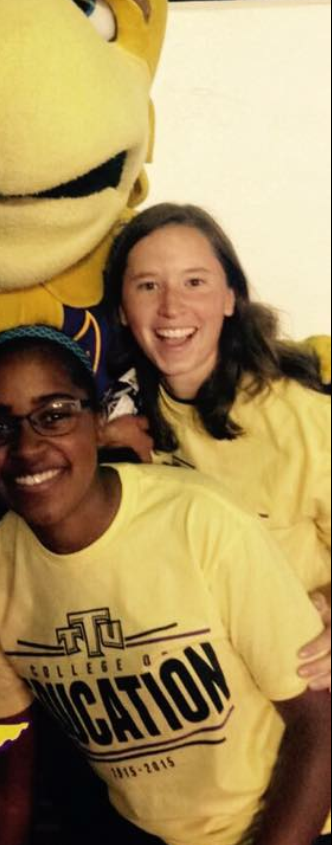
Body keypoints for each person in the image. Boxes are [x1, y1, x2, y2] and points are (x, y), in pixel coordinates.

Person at [0, 324, 331, 845]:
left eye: (54, 415)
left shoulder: (199, 521)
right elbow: (5, 790)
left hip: (299, 834)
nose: (28, 448)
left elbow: (320, 732)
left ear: (96, 420)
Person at [103, 202, 331, 691]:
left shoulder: (304, 417)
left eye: (194, 282)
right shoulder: (113, 415)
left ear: (231, 297)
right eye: (148, 286)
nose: (170, 307)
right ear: (122, 309)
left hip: (299, 683)